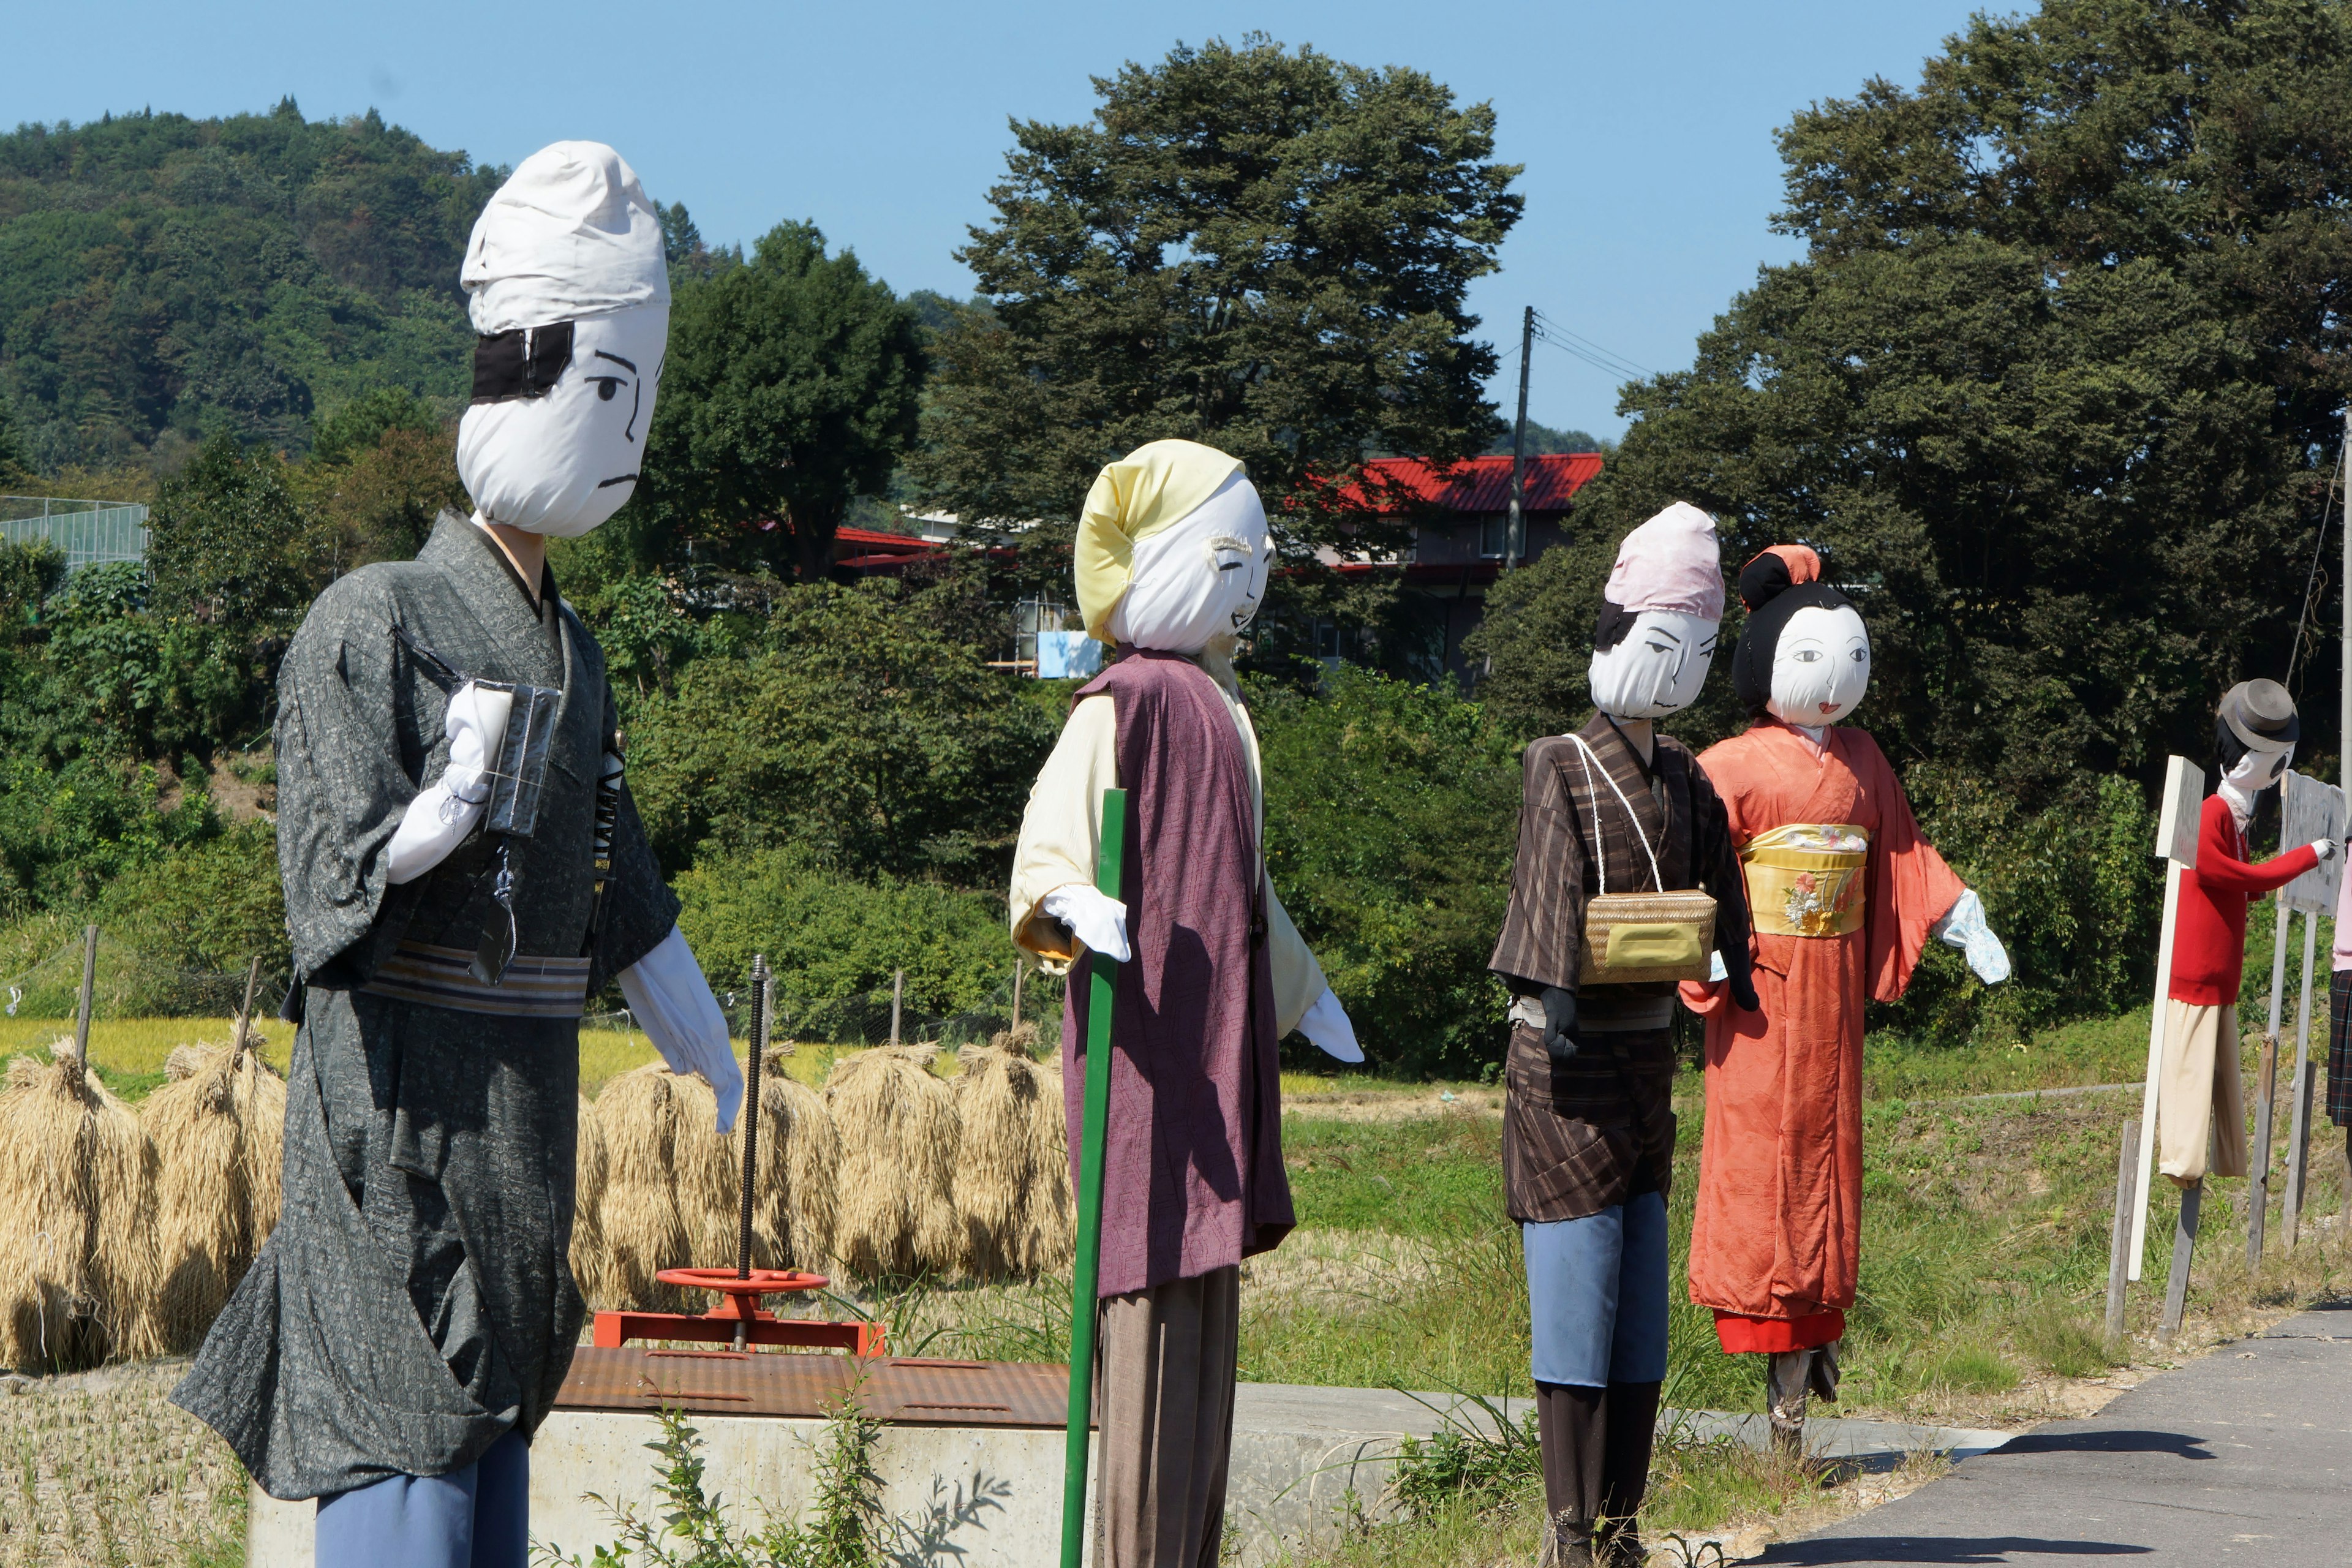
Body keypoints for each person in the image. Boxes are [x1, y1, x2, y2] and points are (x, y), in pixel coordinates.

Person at [172, 142, 742, 1567]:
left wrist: (697, 1028)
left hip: (522, 1138)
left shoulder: (581, 656)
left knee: (488, 1493)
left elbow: (619, 880)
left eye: (639, 400)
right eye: (600, 391)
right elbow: (327, 893)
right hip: (395, 1135)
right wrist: (435, 808)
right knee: (404, 1474)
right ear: (529, 375)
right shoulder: (376, 618)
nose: (619, 431)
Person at [1008, 438, 1359, 1568]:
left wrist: (1304, 998)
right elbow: (1047, 843)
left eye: (1256, 561)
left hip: (1220, 1051)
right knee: (1150, 1296)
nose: (1247, 581)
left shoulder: (1221, 709)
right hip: (1147, 1059)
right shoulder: (1122, 705)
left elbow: (1247, 891)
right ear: (1156, 560)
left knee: (1205, 1318)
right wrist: (1070, 899)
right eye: (1226, 556)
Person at [1680, 545, 2010, 1453]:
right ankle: (1779, 1364)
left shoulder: (1864, 760)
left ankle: (1815, 1341)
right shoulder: (1727, 766)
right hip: (1755, 991)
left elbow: (1901, 855)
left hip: (1832, 1000)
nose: (1834, 685)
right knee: (1763, 1167)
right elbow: (1692, 871)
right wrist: (1703, 946)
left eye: (1850, 661)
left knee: (1828, 1161)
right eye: (1813, 660)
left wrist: (1959, 918)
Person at [1487, 502, 1755, 1567]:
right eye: (1661, 644)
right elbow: (1545, 884)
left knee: (1639, 1302)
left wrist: (1734, 961)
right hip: (1564, 1066)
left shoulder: (1688, 775)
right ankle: (1567, 1527)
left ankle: (1625, 1523)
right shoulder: (1558, 762)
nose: (1677, 669)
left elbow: (1722, 892)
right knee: (1575, 1293)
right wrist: (1549, 988)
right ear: (1612, 635)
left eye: (1696, 650)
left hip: (1649, 1054)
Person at [2168, 681, 2331, 1187]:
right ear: (2243, 759)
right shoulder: (2214, 813)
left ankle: (2222, 1161)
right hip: (2196, 976)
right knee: (2192, 1077)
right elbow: (2239, 877)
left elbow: (2245, 888)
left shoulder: (2236, 820)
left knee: (2220, 1077)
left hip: (2221, 977)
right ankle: (2183, 1164)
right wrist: (2307, 855)